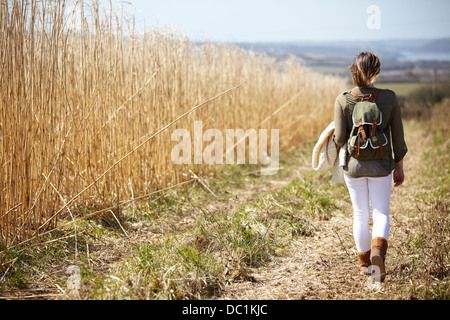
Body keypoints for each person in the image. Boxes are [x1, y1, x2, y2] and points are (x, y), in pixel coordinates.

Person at [333, 51, 408, 282]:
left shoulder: (343, 99)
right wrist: (399, 166)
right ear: (377, 72)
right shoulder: (389, 98)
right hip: (382, 165)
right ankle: (378, 253)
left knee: (360, 213)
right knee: (380, 211)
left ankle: (366, 265)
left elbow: (340, 139)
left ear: (354, 72)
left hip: (354, 168)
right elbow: (398, 138)